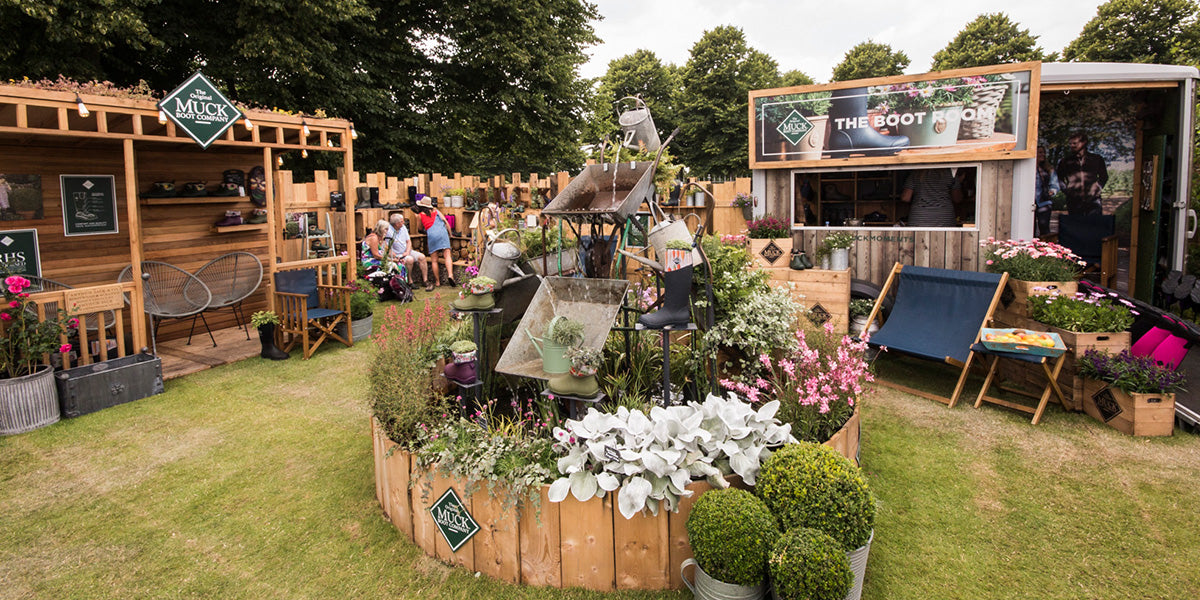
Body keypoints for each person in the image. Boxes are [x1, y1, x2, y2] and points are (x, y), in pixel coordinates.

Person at [1056, 133, 1107, 216]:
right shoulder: (1065, 161)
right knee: (1076, 227)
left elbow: (1104, 176)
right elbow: (1059, 178)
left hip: (1093, 200)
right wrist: (1067, 191)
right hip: (1074, 201)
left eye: (1074, 143)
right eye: (1070, 144)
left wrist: (1097, 188)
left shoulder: (1096, 159)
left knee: (1094, 226)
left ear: (1084, 143)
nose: (1071, 145)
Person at [415, 195, 455, 287]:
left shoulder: (420, 215)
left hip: (432, 234)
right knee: (447, 255)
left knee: (434, 260)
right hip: (442, 233)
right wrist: (450, 234)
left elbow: (420, 228)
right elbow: (445, 221)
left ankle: (437, 282)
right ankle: (450, 275)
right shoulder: (436, 211)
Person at [386, 213, 430, 290]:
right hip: (397, 254)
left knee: (422, 257)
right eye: (402, 221)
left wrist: (407, 251)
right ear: (397, 224)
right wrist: (396, 256)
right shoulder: (388, 232)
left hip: (407, 250)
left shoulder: (403, 228)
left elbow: (408, 241)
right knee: (410, 259)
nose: (403, 223)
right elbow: (388, 248)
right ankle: (410, 281)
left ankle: (425, 280)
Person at [1034, 145, 1060, 237]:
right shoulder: (1028, 169)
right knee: (1030, 229)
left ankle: (1045, 249)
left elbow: (1055, 184)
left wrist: (1052, 191)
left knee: (1044, 228)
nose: (1043, 154)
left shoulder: (1048, 169)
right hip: (1030, 203)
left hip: (1044, 202)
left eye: (1043, 152)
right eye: (1040, 152)